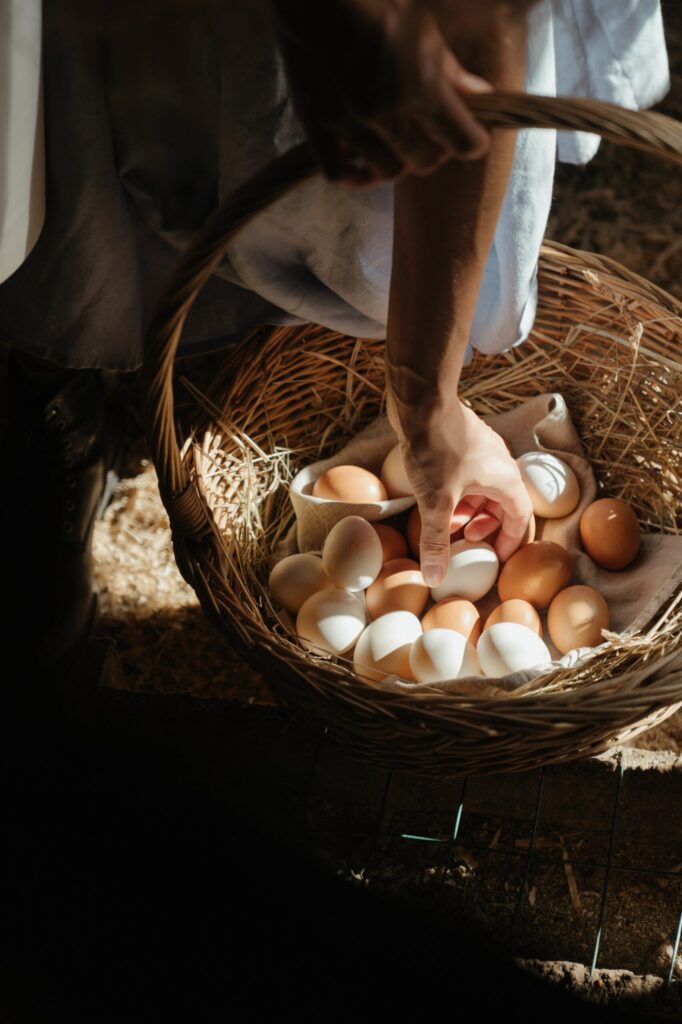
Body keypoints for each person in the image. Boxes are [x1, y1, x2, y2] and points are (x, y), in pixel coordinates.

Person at [0, 0, 670, 667]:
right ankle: (53, 393)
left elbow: (477, 70)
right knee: (104, 144)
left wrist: (426, 400)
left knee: (355, 197)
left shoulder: (444, 33)